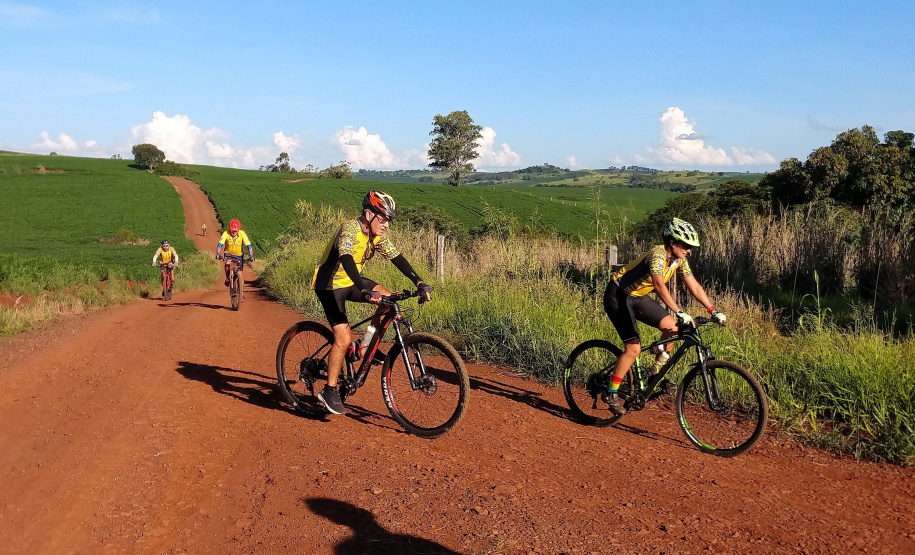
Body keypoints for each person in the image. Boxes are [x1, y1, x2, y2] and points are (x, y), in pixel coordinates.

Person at [312, 190, 434, 415]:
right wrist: (364, 289)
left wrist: (419, 281)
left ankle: (366, 344)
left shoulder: (376, 237)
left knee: (388, 299)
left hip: (352, 281)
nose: (387, 224)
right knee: (343, 337)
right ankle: (329, 390)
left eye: (389, 220)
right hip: (329, 285)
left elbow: (396, 257)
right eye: (383, 218)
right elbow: (346, 257)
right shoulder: (349, 228)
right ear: (369, 214)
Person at [601, 217, 726, 415]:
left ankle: (654, 373)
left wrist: (713, 310)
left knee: (674, 328)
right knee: (633, 349)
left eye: (691, 246)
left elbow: (693, 285)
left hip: (637, 297)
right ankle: (611, 391)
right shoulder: (658, 254)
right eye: (686, 245)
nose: (689, 250)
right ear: (672, 242)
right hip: (617, 296)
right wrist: (678, 311)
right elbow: (659, 286)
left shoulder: (679, 260)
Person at [216, 219, 254, 293]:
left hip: (239, 255)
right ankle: (227, 278)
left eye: (235, 231)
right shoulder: (226, 233)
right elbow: (220, 245)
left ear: (238, 230)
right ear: (230, 229)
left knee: (240, 274)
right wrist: (218, 254)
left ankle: (241, 293)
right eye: (232, 230)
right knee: (227, 263)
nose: (234, 232)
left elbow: (249, 245)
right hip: (228, 253)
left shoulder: (242, 234)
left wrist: (251, 256)